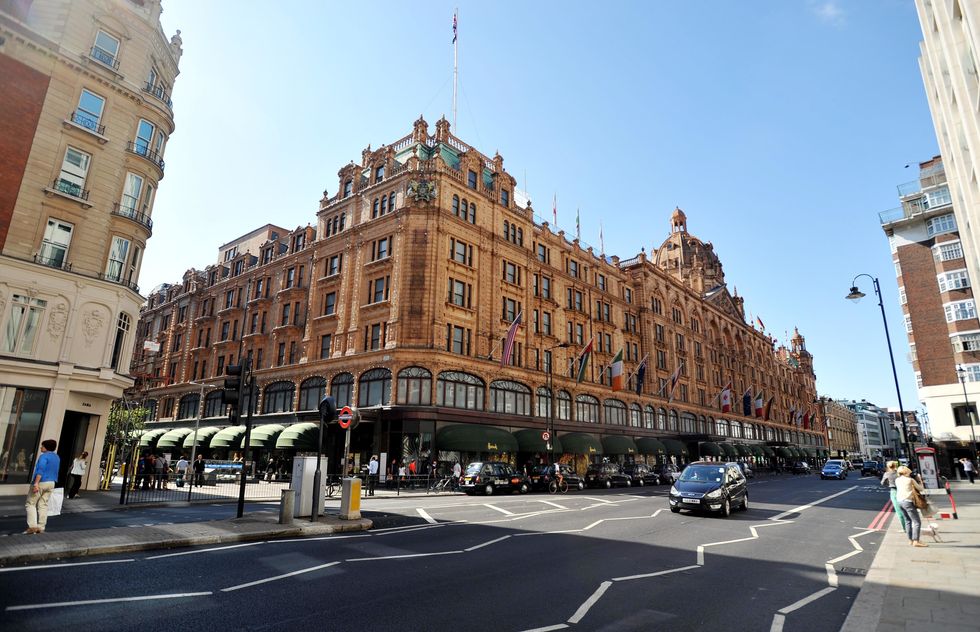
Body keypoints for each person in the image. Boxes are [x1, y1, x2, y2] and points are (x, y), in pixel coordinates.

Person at [25, 439, 60, 534]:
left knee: (30, 503)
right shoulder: (57, 457)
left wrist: (36, 483)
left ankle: (32, 527)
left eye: (42, 446)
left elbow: (40, 470)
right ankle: (41, 527)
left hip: (41, 482)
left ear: (46, 447)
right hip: (51, 483)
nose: (41, 447)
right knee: (43, 505)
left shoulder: (43, 456)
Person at [895, 465, 928, 547]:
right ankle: (916, 541)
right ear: (907, 472)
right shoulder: (910, 480)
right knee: (917, 522)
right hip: (908, 502)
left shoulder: (897, 480)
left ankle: (910, 540)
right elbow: (921, 489)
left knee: (907, 521)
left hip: (899, 501)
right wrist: (920, 480)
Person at [880, 461, 907, 532]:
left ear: (888, 467)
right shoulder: (899, 473)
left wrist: (888, 482)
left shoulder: (887, 474)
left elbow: (882, 483)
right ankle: (909, 524)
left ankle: (905, 528)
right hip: (904, 491)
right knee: (906, 508)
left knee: (899, 511)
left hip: (894, 491)